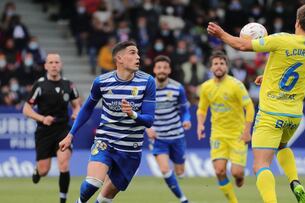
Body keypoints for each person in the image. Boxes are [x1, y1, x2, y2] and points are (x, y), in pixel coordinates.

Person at [207, 2, 305, 203]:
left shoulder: (281, 40)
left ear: (297, 21)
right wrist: (268, 77)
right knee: (283, 145)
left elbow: (241, 45)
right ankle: (295, 181)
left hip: (271, 113)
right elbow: (293, 70)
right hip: (294, 115)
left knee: (261, 165)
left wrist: (221, 34)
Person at [59, 40, 156, 203]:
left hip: (131, 149)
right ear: (119, 58)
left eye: (138, 53)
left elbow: (149, 120)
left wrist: (132, 114)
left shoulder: (147, 82)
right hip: (106, 141)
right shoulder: (102, 82)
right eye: (132, 53)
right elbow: (87, 109)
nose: (138, 56)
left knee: (105, 199)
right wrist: (71, 135)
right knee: (93, 182)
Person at [197, 51, 255, 203]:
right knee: (219, 170)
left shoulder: (236, 85)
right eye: (215, 64)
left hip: (237, 134)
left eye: (222, 63)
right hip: (218, 134)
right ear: (211, 68)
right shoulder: (206, 87)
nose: (218, 66)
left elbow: (249, 107)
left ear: (227, 67)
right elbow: (202, 109)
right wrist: (200, 125)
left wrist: (247, 131)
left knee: (236, 173)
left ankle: (240, 177)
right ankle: (233, 201)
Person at [22, 53, 81, 203]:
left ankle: (63, 199)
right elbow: (26, 109)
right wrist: (42, 118)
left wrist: (76, 112)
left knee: (64, 163)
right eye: (51, 62)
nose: (54, 65)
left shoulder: (69, 85)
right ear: (46, 66)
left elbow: (77, 104)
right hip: (44, 132)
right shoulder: (40, 85)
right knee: (44, 170)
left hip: (63, 130)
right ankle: (37, 171)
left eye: (56, 62)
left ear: (61, 65)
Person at [145, 55, 191, 203]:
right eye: (159, 67)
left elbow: (185, 110)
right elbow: (139, 112)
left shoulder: (178, 88)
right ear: (154, 69)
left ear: (169, 70)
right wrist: (147, 129)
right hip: (158, 138)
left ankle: (180, 170)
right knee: (165, 170)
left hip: (177, 135)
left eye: (165, 67)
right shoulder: (146, 89)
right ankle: (183, 199)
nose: (162, 70)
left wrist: (187, 120)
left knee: (180, 172)